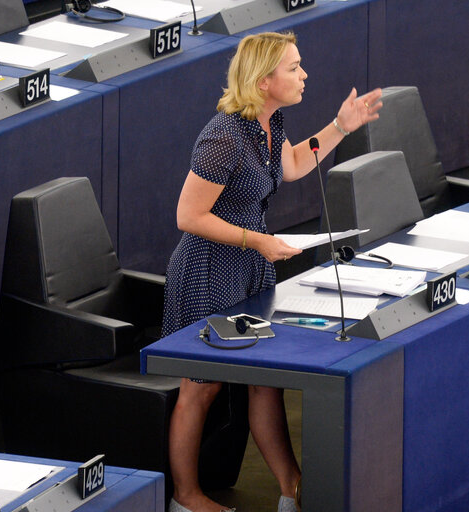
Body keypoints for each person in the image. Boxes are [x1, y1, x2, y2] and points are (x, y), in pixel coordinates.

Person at [162, 31, 382, 512]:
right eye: (294, 68)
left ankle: (291, 488)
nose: (304, 74)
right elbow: (188, 216)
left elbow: (296, 163)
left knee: (265, 378)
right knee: (201, 386)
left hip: (249, 269)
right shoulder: (222, 137)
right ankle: (185, 497)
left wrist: (340, 126)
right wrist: (259, 240)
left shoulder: (270, 123)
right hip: (207, 270)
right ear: (263, 81)